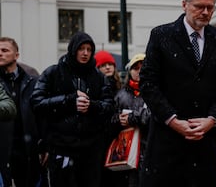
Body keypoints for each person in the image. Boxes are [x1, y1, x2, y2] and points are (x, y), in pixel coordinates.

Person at [139, 0, 216, 187]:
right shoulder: (161, 35)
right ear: (184, 4)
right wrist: (172, 120)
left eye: (211, 7)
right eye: (200, 6)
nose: (206, 12)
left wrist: (212, 118)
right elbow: (148, 83)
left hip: (205, 142)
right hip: (168, 141)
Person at [30, 31, 114, 187]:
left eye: (89, 49)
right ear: (73, 49)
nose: (85, 53)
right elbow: (37, 102)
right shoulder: (53, 73)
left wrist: (92, 106)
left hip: (91, 150)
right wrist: (68, 101)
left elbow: (109, 106)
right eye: (81, 48)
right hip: (61, 148)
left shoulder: (98, 77)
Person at [0, 37, 44, 187]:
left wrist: (43, 145)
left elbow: (42, 114)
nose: (0, 54)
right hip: (4, 146)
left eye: (4, 50)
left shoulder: (32, 79)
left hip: (27, 149)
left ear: (16, 55)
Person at [108, 53, 151, 187]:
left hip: (150, 150)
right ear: (129, 71)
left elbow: (153, 116)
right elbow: (109, 120)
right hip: (125, 154)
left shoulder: (153, 91)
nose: (139, 71)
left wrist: (132, 118)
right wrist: (118, 120)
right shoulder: (120, 95)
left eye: (143, 66)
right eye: (135, 67)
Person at [95, 50, 123, 187]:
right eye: (103, 65)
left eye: (110, 64)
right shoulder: (96, 88)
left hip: (118, 139)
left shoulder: (120, 88)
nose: (107, 67)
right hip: (101, 140)